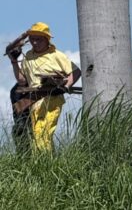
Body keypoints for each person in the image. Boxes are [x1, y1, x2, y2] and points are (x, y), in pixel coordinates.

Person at [7, 22, 81, 151]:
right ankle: (47, 165)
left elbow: (76, 71)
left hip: (52, 99)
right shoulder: (28, 56)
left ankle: (45, 163)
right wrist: (14, 61)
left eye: (38, 39)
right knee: (37, 135)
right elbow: (23, 81)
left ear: (47, 40)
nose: (35, 43)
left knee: (42, 135)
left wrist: (66, 86)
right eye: (32, 39)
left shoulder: (57, 55)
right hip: (34, 101)